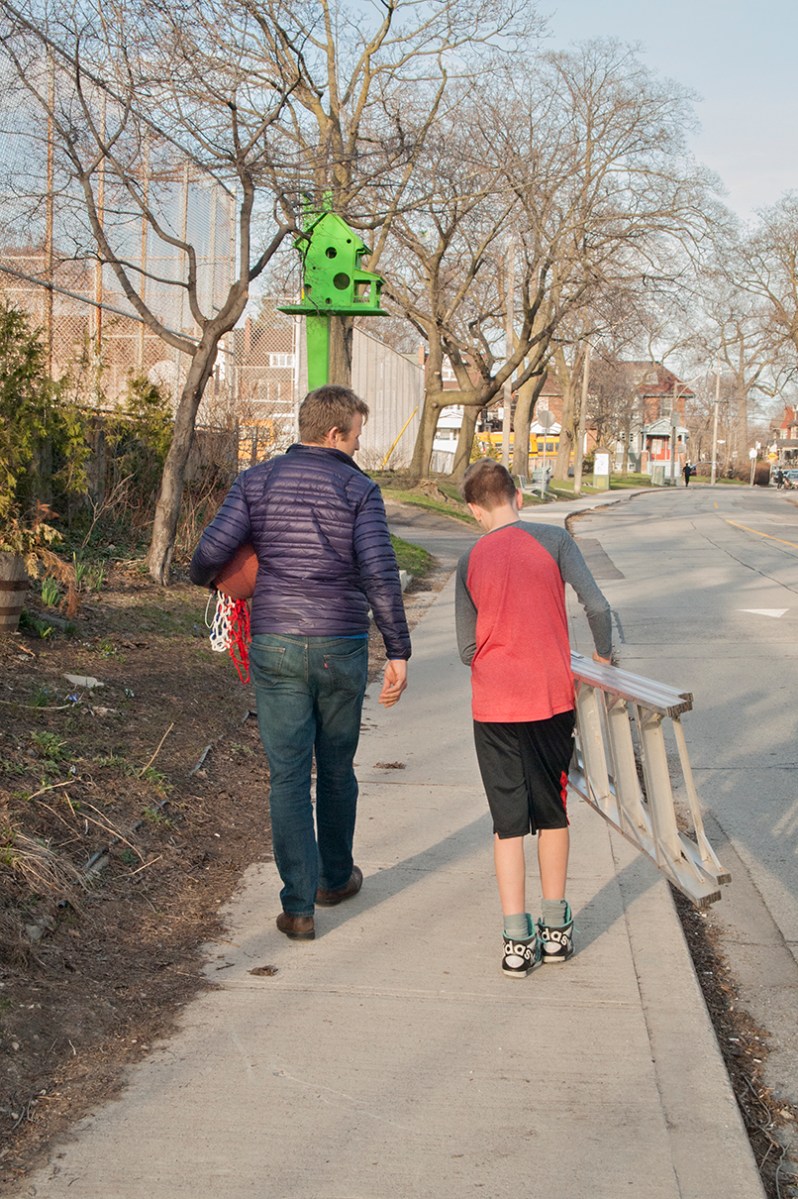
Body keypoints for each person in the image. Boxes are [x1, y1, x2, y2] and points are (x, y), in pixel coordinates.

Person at [190, 385, 411, 942]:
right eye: (357, 436)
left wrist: (210, 579)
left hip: (276, 643)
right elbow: (380, 575)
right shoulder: (359, 489)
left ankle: (298, 908)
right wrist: (399, 650)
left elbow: (209, 553)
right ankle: (335, 879)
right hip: (340, 645)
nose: (359, 447)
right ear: (334, 433)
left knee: (288, 775)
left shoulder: (256, 480)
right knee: (337, 768)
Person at [455, 460, 613, 978]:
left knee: (507, 824)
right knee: (552, 812)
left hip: (494, 706)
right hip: (550, 699)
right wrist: (605, 658)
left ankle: (516, 940)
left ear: (476, 510)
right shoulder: (554, 540)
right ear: (518, 496)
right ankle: (555, 931)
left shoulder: (470, 559)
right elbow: (597, 605)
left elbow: (464, 648)